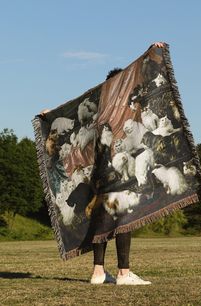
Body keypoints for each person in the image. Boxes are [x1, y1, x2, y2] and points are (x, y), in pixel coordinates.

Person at [41, 42, 165, 285]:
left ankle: (98, 272)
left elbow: (75, 115)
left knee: (103, 218)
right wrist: (154, 52)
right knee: (124, 216)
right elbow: (150, 86)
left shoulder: (101, 106)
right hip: (117, 169)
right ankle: (123, 273)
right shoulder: (125, 108)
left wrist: (50, 115)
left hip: (99, 175)